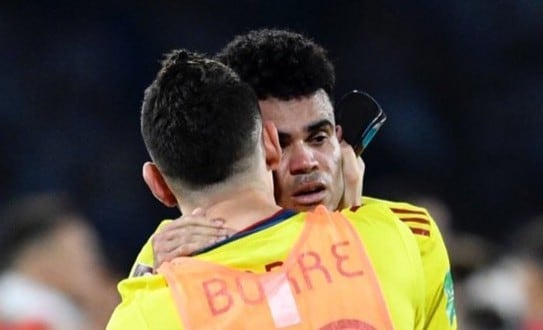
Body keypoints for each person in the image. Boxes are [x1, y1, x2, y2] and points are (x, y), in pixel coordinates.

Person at [129, 29, 456, 329]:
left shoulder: (413, 233)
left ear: (341, 141)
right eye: (283, 144)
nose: (306, 162)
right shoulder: (173, 249)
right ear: (257, 147)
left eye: (318, 138)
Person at [0, 192, 119, 330]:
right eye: (84, 254)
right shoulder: (21, 319)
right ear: (41, 259)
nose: (97, 267)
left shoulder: (60, 312)